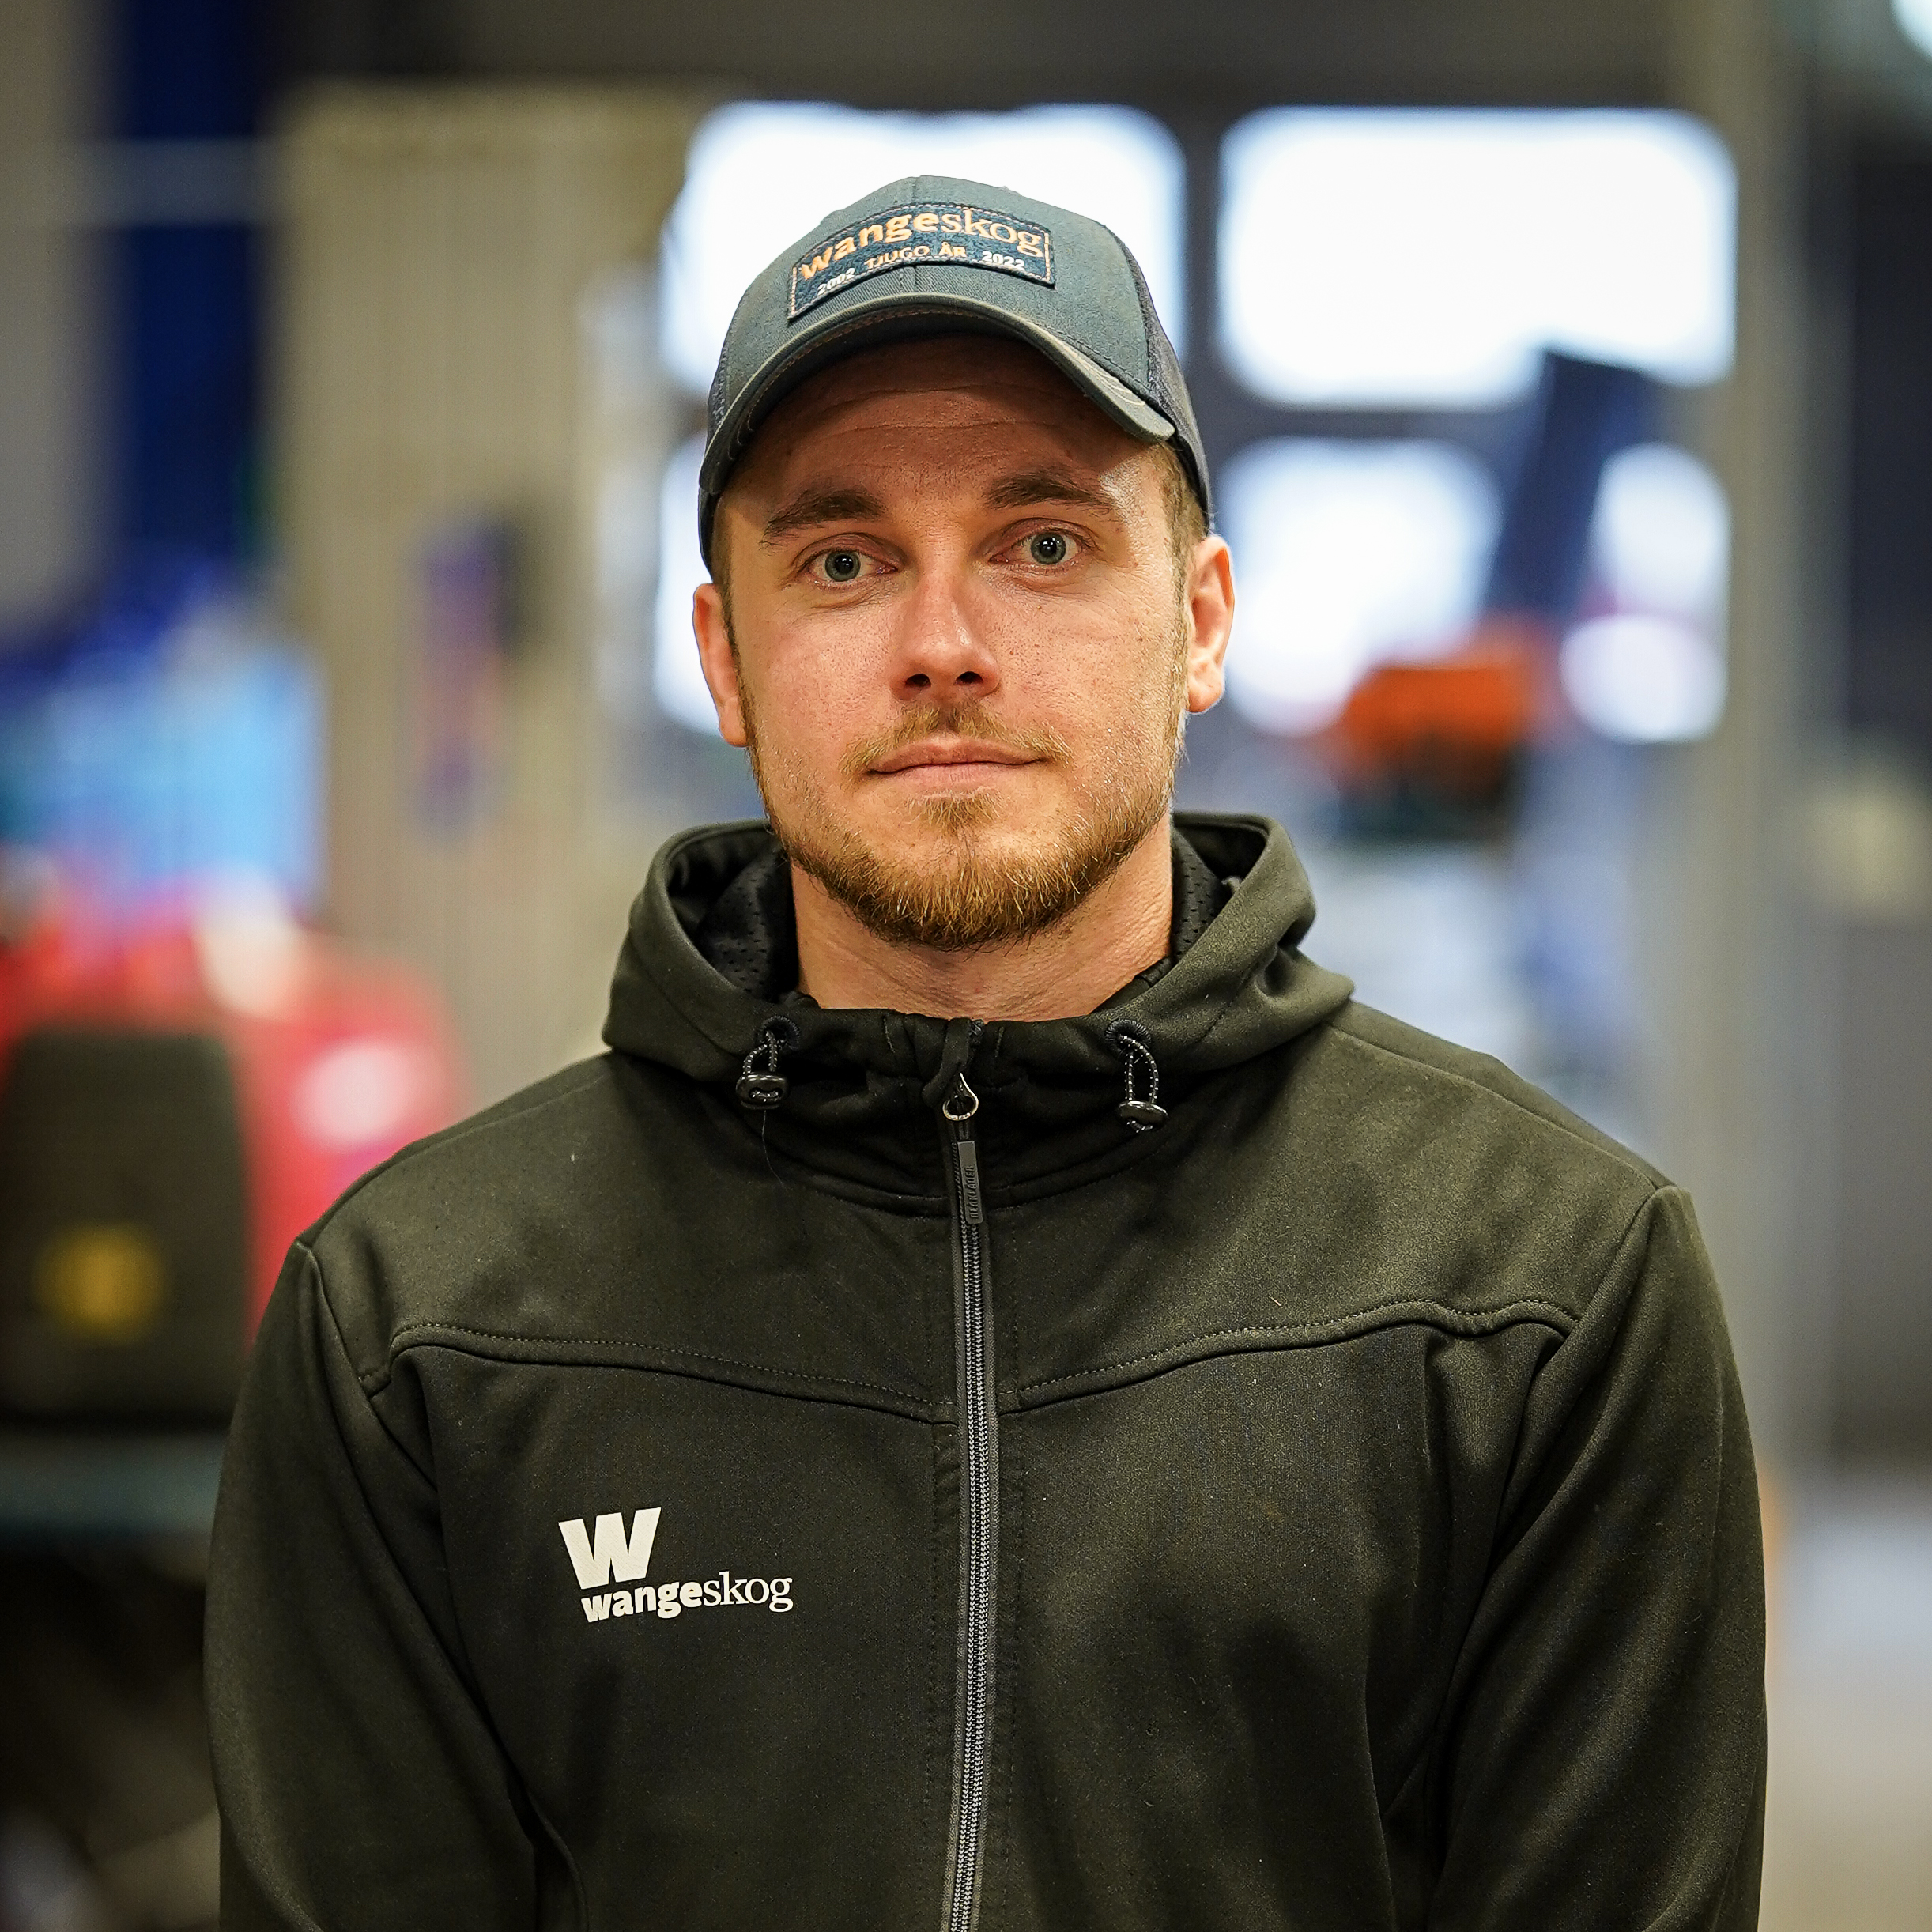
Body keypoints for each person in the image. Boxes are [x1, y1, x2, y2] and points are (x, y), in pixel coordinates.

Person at [206, 177, 1766, 1930]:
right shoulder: (417, 1326)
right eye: (844, 561)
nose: (943, 649)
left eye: (1042, 546)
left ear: (1200, 621)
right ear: (724, 657)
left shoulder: (1545, 1293)